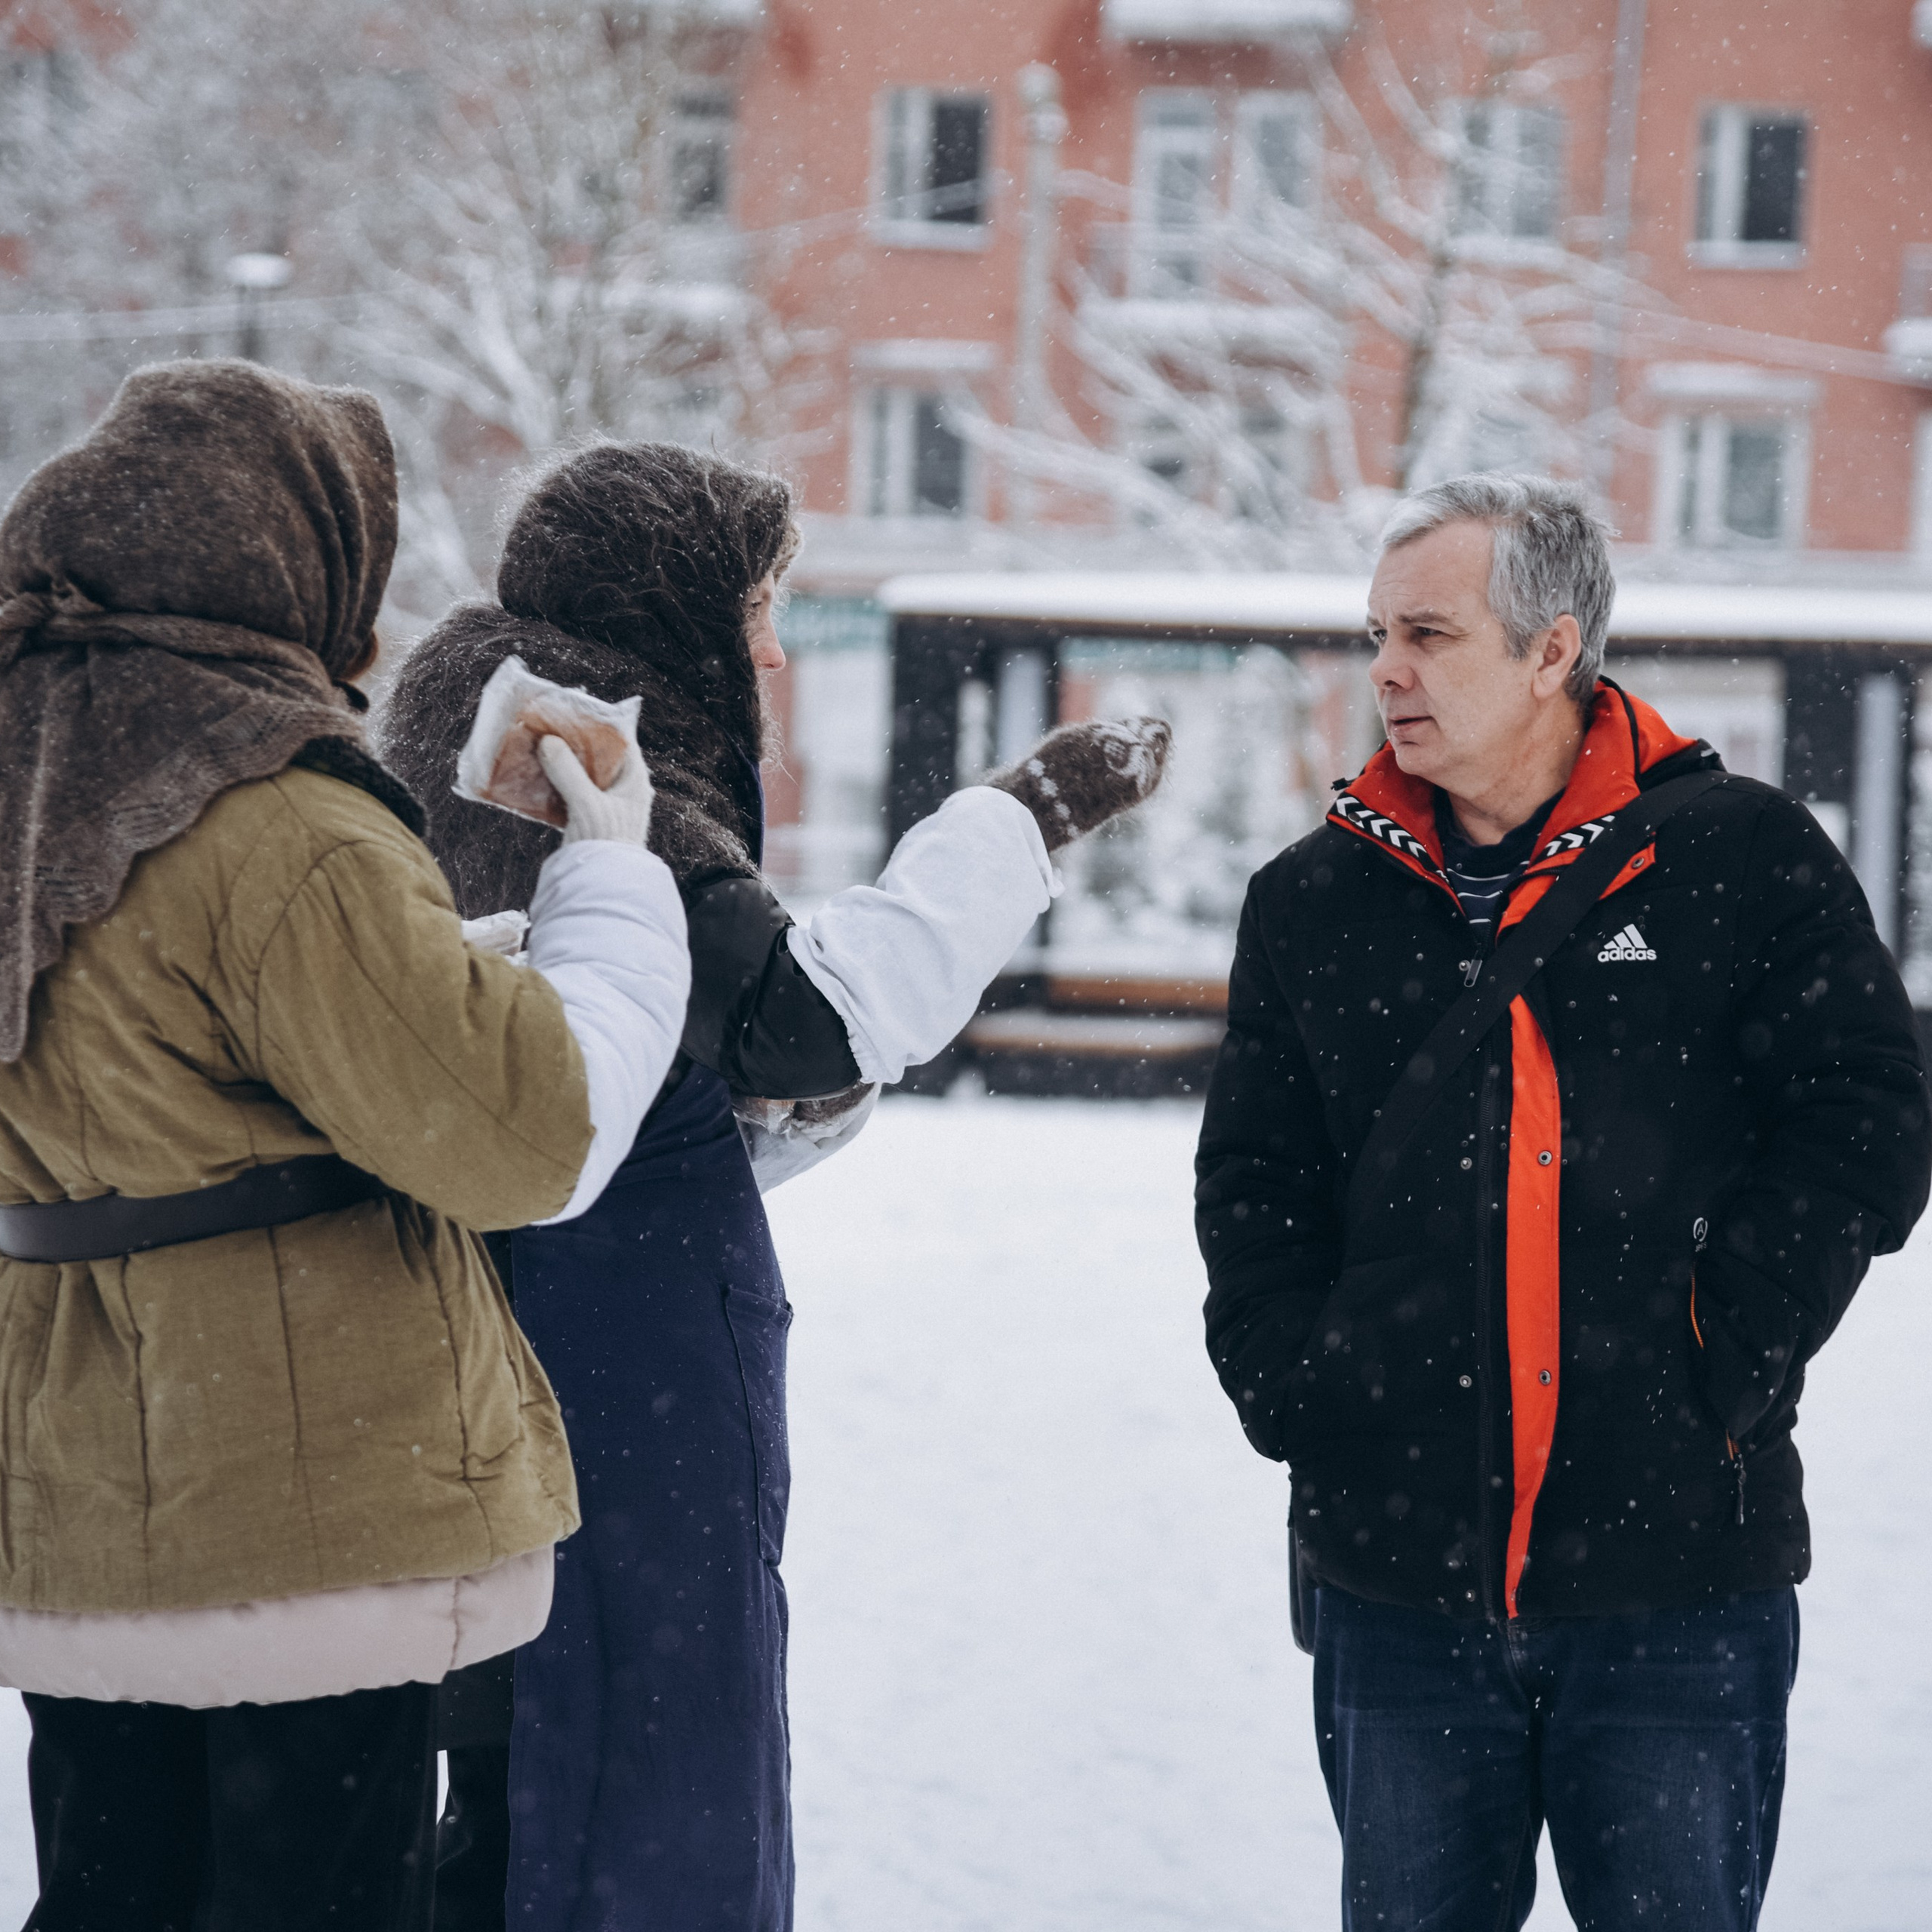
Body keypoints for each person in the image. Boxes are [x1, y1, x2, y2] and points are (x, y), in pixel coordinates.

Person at [377, 441, 1171, 1932]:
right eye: (758, 602)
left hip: (492, 1333)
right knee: (635, 1747)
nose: (770, 644)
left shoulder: (462, 709)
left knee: (517, 1745)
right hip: (607, 1358)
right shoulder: (569, 739)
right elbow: (801, 1017)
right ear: (670, 597)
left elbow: (611, 1068)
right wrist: (1022, 814)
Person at [0, 361, 693, 1931]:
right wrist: (610, 876)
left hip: (83, 1483)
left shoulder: (28, 784)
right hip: (307, 1501)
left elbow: (167, 1050)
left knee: (110, 1892)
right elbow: (533, 1133)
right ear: (294, 552)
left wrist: (448, 964)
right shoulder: (275, 816)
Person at [1195, 472, 1931, 1932]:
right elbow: (1255, 1187)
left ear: (1554, 647)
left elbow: (1869, 1115)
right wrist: (1302, 1386)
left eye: (1429, 633)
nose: (1388, 670)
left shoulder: (1743, 858)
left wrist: (1734, 1338)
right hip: (1394, 1589)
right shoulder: (1312, 897)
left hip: (1677, 1584)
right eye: (1375, 635)